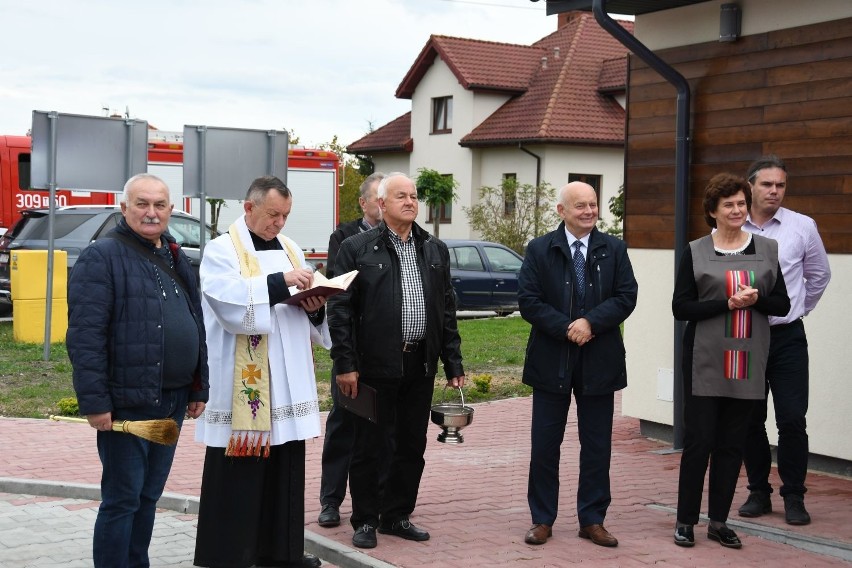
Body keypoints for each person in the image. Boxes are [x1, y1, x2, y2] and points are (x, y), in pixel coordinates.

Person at [66, 173, 209, 568]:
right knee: (123, 498)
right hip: (128, 403)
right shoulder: (102, 256)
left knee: (148, 496)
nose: (151, 212)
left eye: (159, 205)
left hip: (173, 399)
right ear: (123, 208)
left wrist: (199, 387)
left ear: (171, 210)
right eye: (141, 204)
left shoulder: (177, 255)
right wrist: (95, 402)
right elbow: (85, 336)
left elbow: (196, 322)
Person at [193, 176, 329, 568]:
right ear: (249, 208)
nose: (280, 224)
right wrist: (280, 282)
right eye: (273, 214)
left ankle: (280, 552)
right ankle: (231, 555)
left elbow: (302, 312)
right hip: (245, 384)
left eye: (286, 216)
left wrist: (315, 306)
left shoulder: (290, 249)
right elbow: (227, 302)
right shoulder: (222, 250)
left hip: (287, 382)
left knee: (285, 466)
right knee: (240, 472)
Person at [327, 172, 465, 549]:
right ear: (381, 204)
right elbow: (338, 310)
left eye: (414, 196)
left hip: (420, 364)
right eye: (400, 196)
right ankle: (366, 520)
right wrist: (345, 364)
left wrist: (453, 364)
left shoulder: (434, 249)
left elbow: (446, 311)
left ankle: (397, 515)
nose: (410, 201)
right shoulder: (356, 248)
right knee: (369, 446)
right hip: (371, 366)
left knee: (410, 445)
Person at [672, 173, 790, 549]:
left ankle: (719, 522)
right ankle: (686, 520)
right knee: (699, 442)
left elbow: (783, 305)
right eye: (729, 205)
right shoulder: (695, 250)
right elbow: (681, 307)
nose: (738, 210)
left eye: (741, 203)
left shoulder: (767, 249)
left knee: (731, 445)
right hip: (705, 360)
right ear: (713, 211)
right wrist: (726, 303)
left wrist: (756, 299)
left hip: (748, 362)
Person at [518, 181, 638, 548]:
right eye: (580, 206)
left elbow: (626, 295)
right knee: (544, 445)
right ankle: (542, 520)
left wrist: (592, 323)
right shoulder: (540, 249)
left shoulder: (613, 248)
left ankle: (592, 519)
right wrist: (568, 328)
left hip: (600, 361)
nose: (588, 211)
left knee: (598, 445)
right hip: (551, 360)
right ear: (561, 211)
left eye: (593, 205)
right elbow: (528, 300)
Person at [738, 155, 831, 525]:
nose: (774, 191)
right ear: (751, 186)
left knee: (792, 418)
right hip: (746, 336)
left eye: (780, 185)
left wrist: (797, 310)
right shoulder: (734, 226)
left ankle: (794, 496)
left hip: (787, 337)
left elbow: (819, 276)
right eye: (767, 184)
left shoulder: (802, 227)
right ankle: (759, 492)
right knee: (750, 418)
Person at [317, 171, 385, 528]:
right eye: (379, 198)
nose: (385, 203)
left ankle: (379, 502)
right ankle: (330, 501)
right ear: (364, 203)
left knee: (382, 428)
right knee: (344, 423)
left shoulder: (405, 240)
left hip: (387, 354)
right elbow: (340, 288)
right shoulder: (344, 237)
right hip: (351, 348)